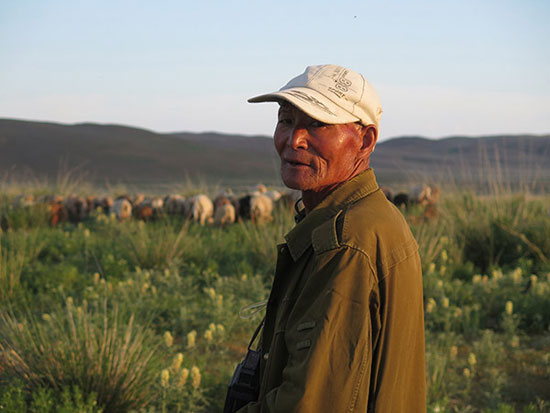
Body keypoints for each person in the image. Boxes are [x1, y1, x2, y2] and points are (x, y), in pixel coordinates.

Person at [234, 64, 426, 412]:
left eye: (317, 124)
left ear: (365, 141)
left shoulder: (346, 242)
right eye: (286, 121)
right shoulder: (366, 219)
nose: (294, 140)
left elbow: (309, 403)